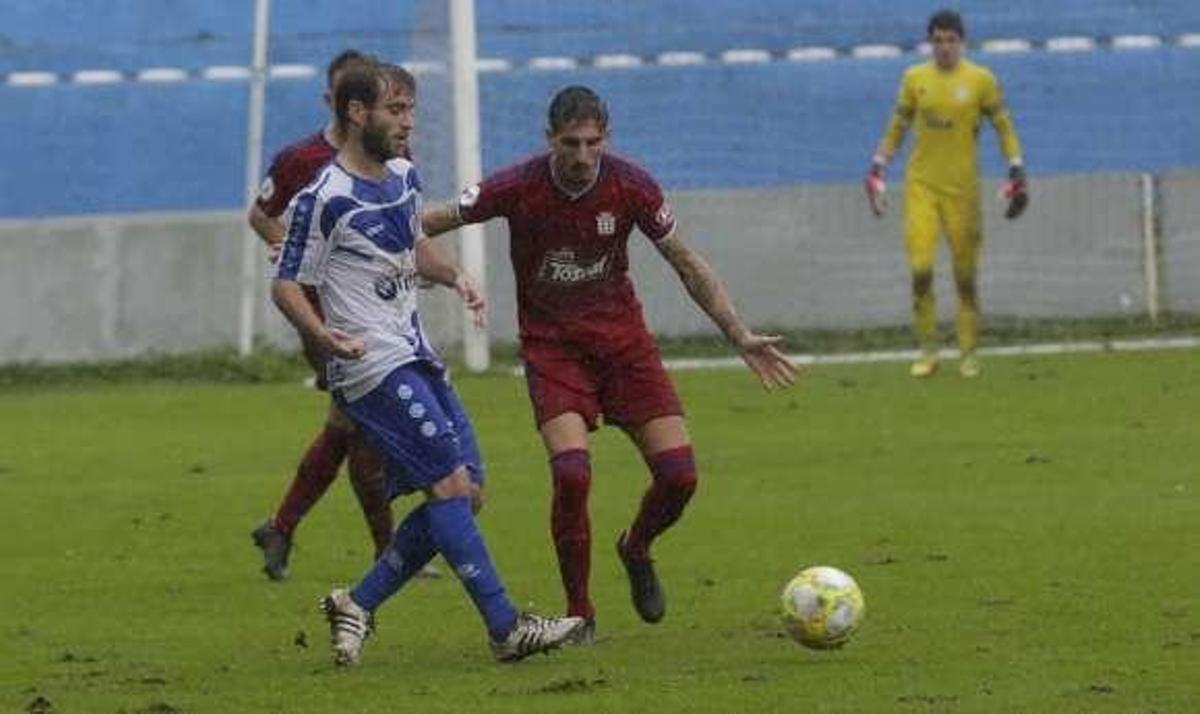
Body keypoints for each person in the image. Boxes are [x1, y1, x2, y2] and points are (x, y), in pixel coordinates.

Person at [422, 85, 797, 641]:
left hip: (624, 348)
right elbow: (433, 218)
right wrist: (358, 229)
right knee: (572, 473)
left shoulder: (630, 185)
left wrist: (737, 332)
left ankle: (636, 545)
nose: (580, 155)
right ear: (550, 138)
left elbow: (685, 262)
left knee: (680, 477)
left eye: (591, 142)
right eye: (570, 143)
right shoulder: (517, 185)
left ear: (606, 139)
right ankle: (581, 614)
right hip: (553, 350)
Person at [272, 61, 584, 665]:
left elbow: (410, 245)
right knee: (449, 484)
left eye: (411, 110)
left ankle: (356, 603)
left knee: (469, 493)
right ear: (357, 113)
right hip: (371, 365)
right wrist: (323, 335)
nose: (407, 123)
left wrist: (454, 276)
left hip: (414, 352)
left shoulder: (405, 176)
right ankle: (506, 627)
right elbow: (286, 285)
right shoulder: (323, 197)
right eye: (395, 111)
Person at [248, 49, 437, 580]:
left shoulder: (394, 156)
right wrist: (291, 248)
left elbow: (402, 222)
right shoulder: (299, 159)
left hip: (376, 312)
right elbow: (260, 216)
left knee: (349, 425)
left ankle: (283, 526)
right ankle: (387, 549)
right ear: (334, 101)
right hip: (327, 314)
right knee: (361, 428)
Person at [865, 8, 1027, 379]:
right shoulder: (915, 78)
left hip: (963, 190)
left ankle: (968, 353)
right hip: (921, 186)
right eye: (937, 40)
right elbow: (897, 125)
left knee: (964, 276)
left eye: (951, 40)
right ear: (930, 42)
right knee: (921, 269)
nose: (944, 47)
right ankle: (928, 351)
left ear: (962, 42)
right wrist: (878, 164)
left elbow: (1004, 127)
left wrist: (1015, 165)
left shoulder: (981, 80)